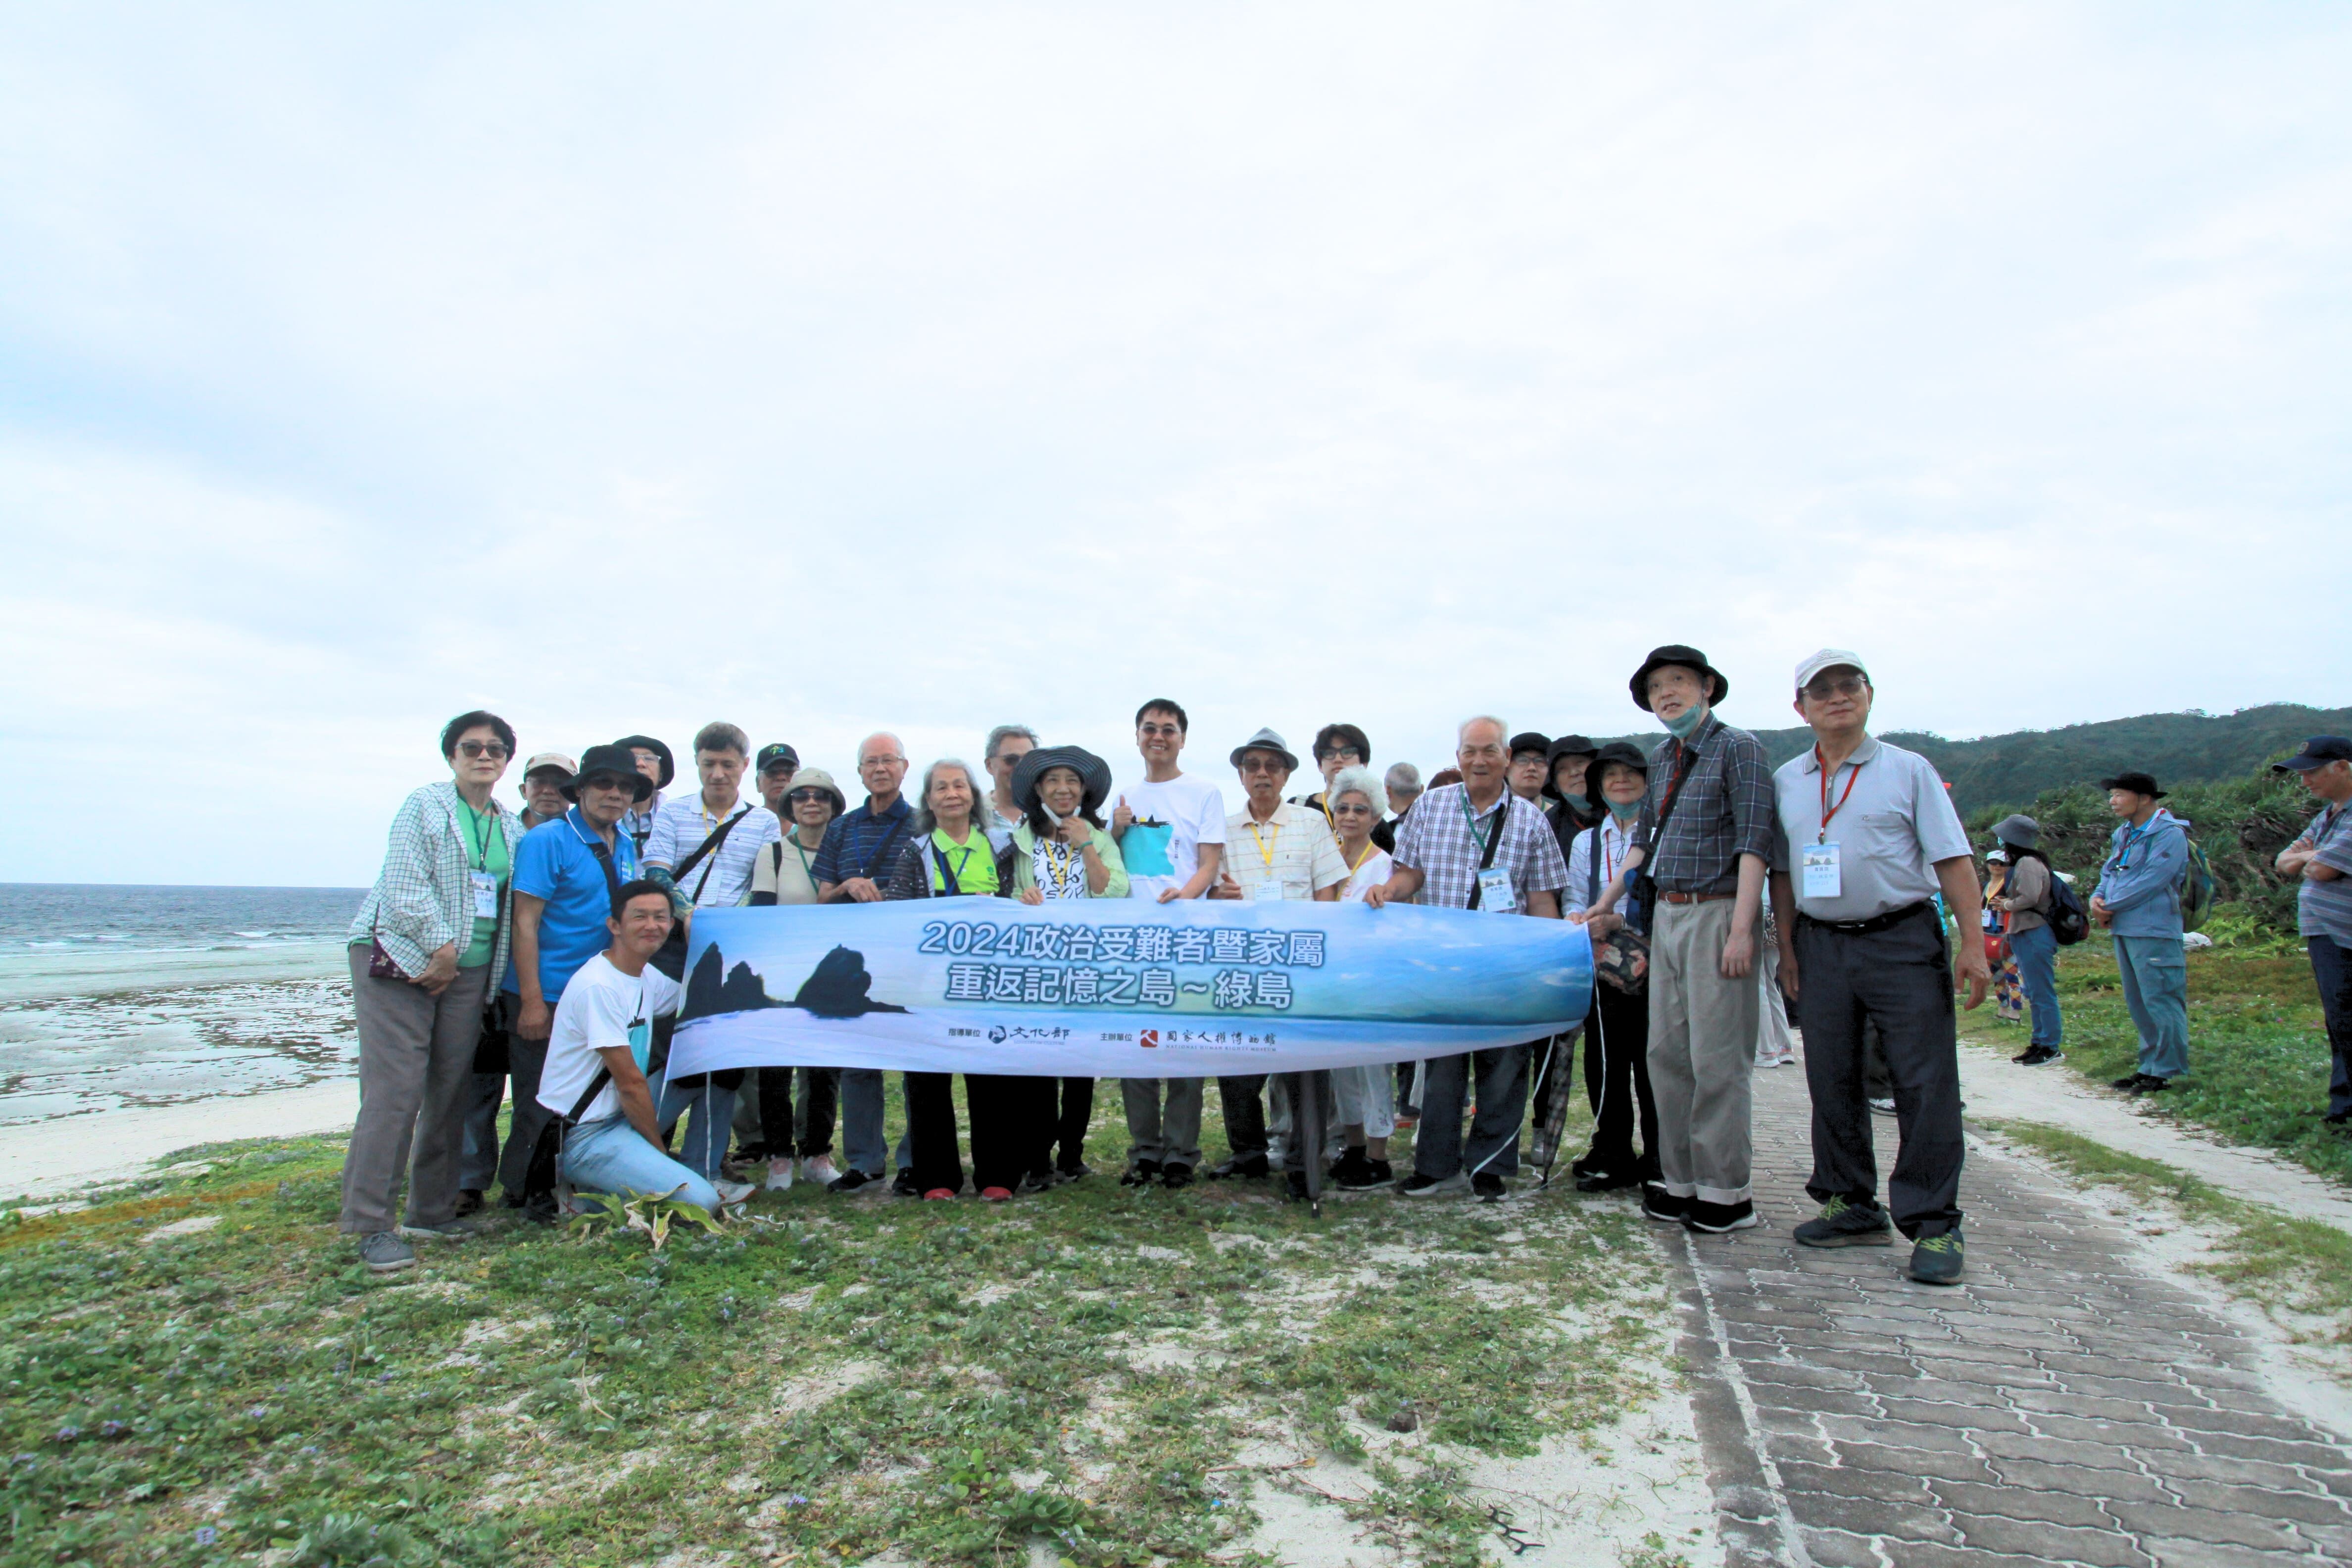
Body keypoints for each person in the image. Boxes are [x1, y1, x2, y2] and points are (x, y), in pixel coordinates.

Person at [1766, 650, 1989, 1286]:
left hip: (1902, 938)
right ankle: (1851, 1203)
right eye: (1822, 691)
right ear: (1801, 708)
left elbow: (1952, 860)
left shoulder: (1908, 769)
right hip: (1822, 944)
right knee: (1831, 1075)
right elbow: (1782, 873)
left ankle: (1934, 1221)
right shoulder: (1786, 780)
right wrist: (1789, 950)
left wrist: (1973, 945)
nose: (1837, 697)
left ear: (1869, 695)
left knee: (1923, 1080)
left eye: (1849, 686)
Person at [1580, 644, 1774, 1234]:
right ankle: (1679, 1179)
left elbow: (1755, 842)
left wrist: (1742, 930)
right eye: (1656, 687)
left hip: (1718, 910)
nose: (1667, 694)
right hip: (1666, 912)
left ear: (1707, 687)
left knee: (1717, 1057)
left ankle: (1727, 1192)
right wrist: (1606, 902)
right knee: (1666, 1055)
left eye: (1678, 681)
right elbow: (1644, 844)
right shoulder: (1663, 757)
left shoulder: (1739, 747)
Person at [340, 711, 528, 1273]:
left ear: (506, 761)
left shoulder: (511, 826)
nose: (484, 756)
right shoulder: (425, 805)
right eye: (471, 747)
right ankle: (371, 1224)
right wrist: (441, 948)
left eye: (495, 748)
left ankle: (432, 1210)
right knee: (395, 1091)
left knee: (451, 1090)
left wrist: (467, 966)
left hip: (470, 973)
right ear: (451, 755)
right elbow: (403, 885)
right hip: (402, 959)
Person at [1366, 716, 1568, 1202]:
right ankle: (1436, 1168)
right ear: (1458, 757)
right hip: (1443, 964)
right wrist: (1388, 891)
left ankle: (1489, 1168)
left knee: (1505, 1069)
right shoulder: (1430, 806)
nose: (1479, 760)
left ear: (1506, 757)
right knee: (1442, 1069)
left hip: (1506, 968)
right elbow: (1410, 873)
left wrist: (1550, 959)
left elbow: (1542, 899)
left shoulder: (1531, 820)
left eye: (1490, 750)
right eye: (1470, 751)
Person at [539, 879, 754, 1219]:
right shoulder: (598, 986)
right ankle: (583, 1196)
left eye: (661, 917)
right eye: (640, 917)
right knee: (701, 1204)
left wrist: (700, 943)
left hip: (619, 1115)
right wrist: (658, 1153)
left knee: (711, 1070)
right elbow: (630, 1085)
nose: (652, 926)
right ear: (615, 926)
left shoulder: (644, 976)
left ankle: (701, 1171)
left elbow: (701, 1000)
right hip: (587, 1133)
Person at [1209, 728, 1349, 1198]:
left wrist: (1319, 953)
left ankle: (1303, 1162)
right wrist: (1216, 895)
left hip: (1300, 968)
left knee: (1305, 1070)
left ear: (1287, 774)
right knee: (1236, 1065)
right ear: (1241, 775)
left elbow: (1328, 889)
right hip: (1243, 967)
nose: (1262, 774)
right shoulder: (1223, 830)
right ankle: (1247, 1154)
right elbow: (1206, 893)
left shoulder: (1311, 823)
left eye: (1272, 765)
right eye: (1252, 766)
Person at [641, 723, 784, 1179]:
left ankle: (705, 1163)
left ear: (745, 766)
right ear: (697, 764)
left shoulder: (763, 822)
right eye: (709, 764)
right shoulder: (673, 814)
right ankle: (645, 1153)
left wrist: (721, 926)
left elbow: (761, 886)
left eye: (727, 764)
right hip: (673, 948)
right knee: (665, 1056)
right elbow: (657, 872)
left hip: (732, 951)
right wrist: (688, 915)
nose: (718, 774)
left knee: (723, 1060)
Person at [508, 744, 649, 1202]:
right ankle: (526, 1193)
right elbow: (525, 923)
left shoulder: (624, 843)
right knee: (539, 1098)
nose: (615, 794)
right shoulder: (548, 839)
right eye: (604, 783)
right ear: (582, 789)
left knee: (585, 1095)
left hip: (597, 993)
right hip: (548, 991)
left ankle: (567, 1182)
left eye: (625, 787)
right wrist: (531, 1001)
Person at [884, 759, 1023, 1199]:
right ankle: (937, 1178)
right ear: (928, 801)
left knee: (993, 1077)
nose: (952, 794)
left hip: (989, 980)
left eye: (960, 786)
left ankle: (998, 1176)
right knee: (927, 1078)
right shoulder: (916, 852)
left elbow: (1017, 902)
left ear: (974, 795)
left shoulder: (1002, 846)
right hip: (929, 984)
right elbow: (898, 912)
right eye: (941, 788)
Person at [1109, 699, 1225, 1189]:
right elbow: (1113, 867)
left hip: (1186, 938)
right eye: (1150, 728)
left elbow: (1209, 862)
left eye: (1169, 729)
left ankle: (1180, 1153)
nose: (1159, 736)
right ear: (1137, 736)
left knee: (1184, 1047)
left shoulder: (1204, 792)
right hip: (1132, 942)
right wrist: (1115, 828)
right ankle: (1144, 1151)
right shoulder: (1124, 797)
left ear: (1183, 738)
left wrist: (1185, 899)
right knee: (1135, 1050)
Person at [456, 749, 577, 1214]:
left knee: (535, 1088)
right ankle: (469, 1181)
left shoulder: (573, 840)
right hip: (483, 974)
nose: (548, 791)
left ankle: (524, 1179)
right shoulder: (501, 833)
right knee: (481, 1082)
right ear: (523, 788)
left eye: (559, 783)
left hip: (536, 984)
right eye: (538, 782)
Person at [1008, 745, 1130, 1184]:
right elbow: (1007, 895)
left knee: (1081, 1063)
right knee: (1040, 1062)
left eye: (1072, 781)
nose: (1063, 789)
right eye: (1053, 781)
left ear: (1084, 790)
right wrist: (1021, 898)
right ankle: (1038, 1158)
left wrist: (1087, 846)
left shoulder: (1099, 837)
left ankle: (1072, 1154)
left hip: (1086, 966)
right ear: (1039, 789)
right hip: (1038, 966)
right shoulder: (1021, 839)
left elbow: (1113, 892)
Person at [813, 733, 918, 1193]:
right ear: (859, 772)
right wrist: (847, 885)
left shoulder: (924, 822)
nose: (880, 769)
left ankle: (915, 1160)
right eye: (871, 762)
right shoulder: (842, 828)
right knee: (858, 1060)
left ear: (904, 767)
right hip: (855, 955)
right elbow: (822, 897)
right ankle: (864, 1162)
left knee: (916, 1060)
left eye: (888, 760)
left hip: (909, 953)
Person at [1561, 742, 1661, 1193]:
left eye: (1631, 773)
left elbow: (1663, 892)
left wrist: (1619, 920)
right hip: (1603, 965)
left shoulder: (1661, 831)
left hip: (1657, 962)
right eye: (1610, 775)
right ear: (1599, 788)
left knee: (1653, 1063)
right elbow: (1574, 893)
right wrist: (1578, 918)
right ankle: (1613, 1151)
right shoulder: (1587, 841)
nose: (1621, 781)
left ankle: (1660, 1158)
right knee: (1605, 1062)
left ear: (1648, 781)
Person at [743, 767, 848, 1189]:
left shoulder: (845, 853)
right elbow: (760, 915)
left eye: (821, 796)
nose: (811, 803)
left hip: (830, 976)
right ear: (789, 804)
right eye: (802, 796)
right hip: (781, 974)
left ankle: (817, 1153)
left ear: (833, 806)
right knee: (774, 1070)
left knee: (824, 1070)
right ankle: (779, 1157)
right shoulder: (772, 854)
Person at [2092, 771, 2192, 1093]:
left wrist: (2110, 905)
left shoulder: (2169, 834)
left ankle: (2169, 1069)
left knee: (2161, 998)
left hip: (2154, 928)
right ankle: (2149, 1065)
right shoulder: (2123, 833)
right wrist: (2097, 898)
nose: (2113, 801)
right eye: (2112, 795)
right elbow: (2109, 871)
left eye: (2120, 794)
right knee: (2139, 1000)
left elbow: (2153, 880)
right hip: (2125, 926)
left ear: (2145, 798)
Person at [1326, 764, 1400, 1190]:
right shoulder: (1326, 862)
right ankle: (1353, 1146)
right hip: (1332, 983)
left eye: (1360, 809)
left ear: (1375, 817)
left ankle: (1378, 1156)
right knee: (1343, 1069)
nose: (1350, 816)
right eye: (1343, 808)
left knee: (1373, 1070)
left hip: (1371, 983)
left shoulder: (1385, 866)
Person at [2272, 737, 2352, 1125]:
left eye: (2312, 772)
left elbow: (2320, 870)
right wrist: (2312, 854)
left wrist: (2312, 857)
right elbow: (2284, 861)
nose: (2305, 782)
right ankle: (2343, 1107)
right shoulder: (2328, 816)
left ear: (2343, 767)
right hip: (2326, 933)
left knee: (2347, 1018)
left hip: (2344, 933)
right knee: (2339, 1021)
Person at [1990, 815, 2063, 1067]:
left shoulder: (2028, 863)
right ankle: (2039, 1042)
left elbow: (2029, 898)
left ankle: (2050, 1046)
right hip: (2025, 931)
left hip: (2034, 931)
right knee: (2033, 990)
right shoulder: (2026, 862)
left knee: (2042, 991)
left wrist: (2007, 905)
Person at [1295, 724, 1396, 854]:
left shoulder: (1375, 825)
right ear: (1320, 766)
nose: (1338, 759)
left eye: (1347, 752)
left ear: (1364, 764)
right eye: (1329, 753)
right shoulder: (1297, 808)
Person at [1981, 850, 2027, 1026]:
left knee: (2012, 974)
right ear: (1987, 864)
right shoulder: (1985, 886)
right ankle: (2002, 1008)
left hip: (2007, 935)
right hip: (1988, 936)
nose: (1998, 867)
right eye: (1994, 863)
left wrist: (2006, 905)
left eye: (2002, 863)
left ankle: (2016, 1011)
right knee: (1997, 975)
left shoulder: (2010, 886)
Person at [614, 735, 674, 859]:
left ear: (661, 774)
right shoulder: (602, 815)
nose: (641, 764)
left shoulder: (675, 818)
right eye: (632, 758)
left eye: (650, 759)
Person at [981, 725, 1040, 849]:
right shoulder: (974, 816)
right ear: (989, 765)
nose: (1021, 767)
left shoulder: (1049, 815)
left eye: (1028, 760)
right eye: (1011, 760)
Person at [753, 743, 800, 819]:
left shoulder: (814, 823)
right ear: (758, 783)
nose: (781, 778)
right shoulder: (743, 824)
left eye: (789, 772)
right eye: (772, 772)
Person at [1507, 732, 1552, 804]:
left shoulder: (1561, 811)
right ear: (1506, 770)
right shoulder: (1491, 810)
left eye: (1540, 761)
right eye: (1523, 760)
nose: (1532, 768)